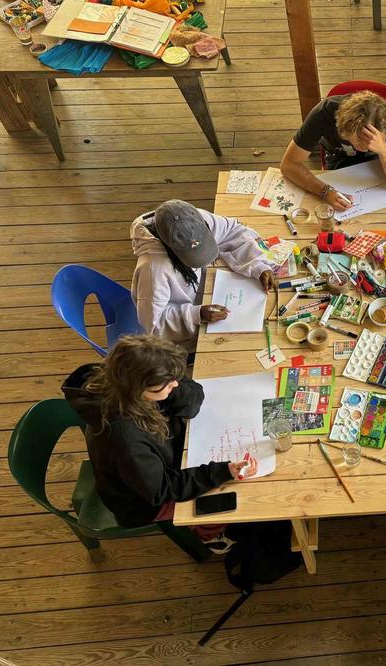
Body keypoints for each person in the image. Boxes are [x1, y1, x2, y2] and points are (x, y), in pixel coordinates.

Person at [62, 336, 253, 550]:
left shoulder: (131, 376)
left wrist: (171, 388)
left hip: (161, 461)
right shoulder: (124, 436)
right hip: (143, 502)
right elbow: (161, 490)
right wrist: (220, 472)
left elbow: (191, 399)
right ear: (138, 389)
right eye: (166, 385)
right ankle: (209, 535)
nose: (175, 384)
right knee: (231, 496)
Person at [131, 199, 274, 349]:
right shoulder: (153, 269)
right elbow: (154, 325)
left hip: (212, 292)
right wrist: (196, 315)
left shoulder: (193, 220)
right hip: (186, 337)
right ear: (172, 250)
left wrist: (257, 265)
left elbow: (233, 231)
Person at [279, 90, 386, 214]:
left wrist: (384, 150)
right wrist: (325, 191)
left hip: (377, 165)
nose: (364, 148)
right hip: (338, 158)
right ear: (343, 128)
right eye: (359, 141)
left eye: (370, 143)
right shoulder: (323, 113)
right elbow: (289, 165)